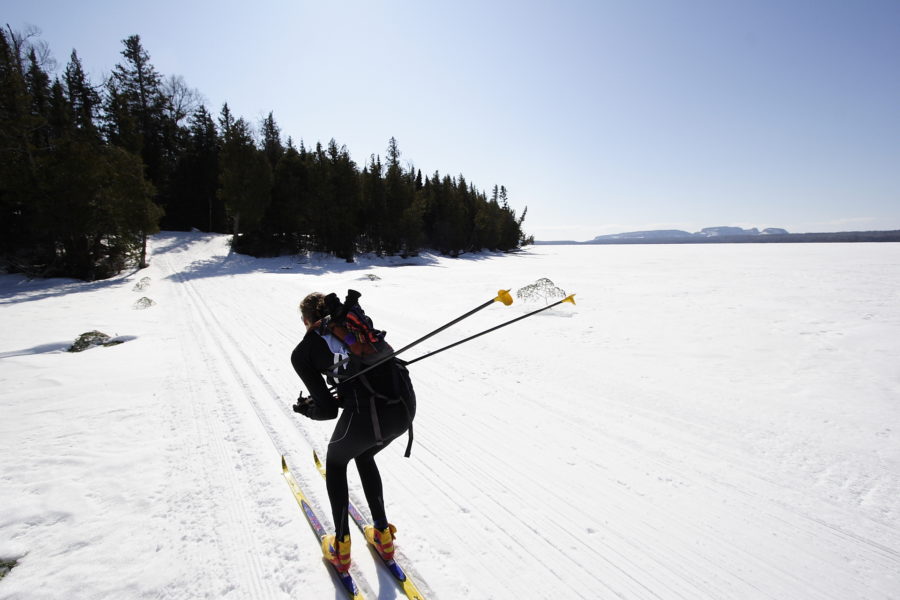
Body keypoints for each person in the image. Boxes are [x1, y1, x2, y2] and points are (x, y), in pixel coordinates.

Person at [291, 291, 416, 573]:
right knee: (363, 455)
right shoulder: (356, 328)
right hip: (404, 409)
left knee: (336, 463)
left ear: (307, 320)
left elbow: (326, 411)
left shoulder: (303, 352)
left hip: (369, 417)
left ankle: (341, 548)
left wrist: (307, 409)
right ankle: (383, 537)